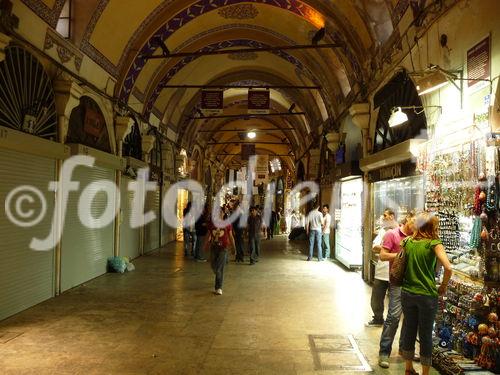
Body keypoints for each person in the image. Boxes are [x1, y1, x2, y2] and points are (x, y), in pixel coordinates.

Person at [401, 212, 452, 375]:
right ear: (431, 226)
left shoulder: (407, 242)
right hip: (427, 295)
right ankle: (425, 373)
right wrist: (443, 286)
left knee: (409, 330)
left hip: (407, 292)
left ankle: (408, 369)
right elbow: (449, 268)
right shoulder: (434, 243)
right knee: (425, 334)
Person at [378, 211, 416, 369]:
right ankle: (384, 352)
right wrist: (402, 254)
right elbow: (382, 255)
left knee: (410, 319)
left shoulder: (417, 237)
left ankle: (404, 350)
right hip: (397, 282)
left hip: (413, 283)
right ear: (408, 219)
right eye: (415, 222)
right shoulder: (391, 234)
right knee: (393, 317)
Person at [366, 209, 397, 327]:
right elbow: (374, 247)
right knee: (376, 299)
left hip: (395, 272)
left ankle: (391, 322)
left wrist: (384, 248)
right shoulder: (382, 231)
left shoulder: (399, 231)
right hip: (381, 272)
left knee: (394, 301)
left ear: (392, 216)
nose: (383, 217)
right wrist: (389, 247)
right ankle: (378, 318)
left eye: (385, 215)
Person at [206, 207, 235, 295]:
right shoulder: (212, 224)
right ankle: (217, 274)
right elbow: (209, 235)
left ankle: (218, 287)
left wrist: (234, 247)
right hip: (214, 247)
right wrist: (206, 245)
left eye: (220, 212)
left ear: (223, 214)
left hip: (223, 248)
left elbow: (230, 236)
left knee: (219, 269)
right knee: (213, 266)